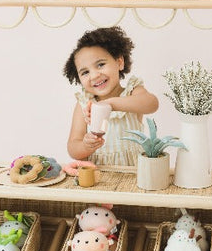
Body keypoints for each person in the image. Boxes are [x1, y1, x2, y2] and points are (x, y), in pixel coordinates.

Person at [63, 26, 159, 166]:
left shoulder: (132, 92)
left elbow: (152, 104)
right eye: (85, 72)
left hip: (133, 173)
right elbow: (73, 148)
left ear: (119, 62)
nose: (94, 75)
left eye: (100, 64)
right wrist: (85, 146)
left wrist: (112, 104)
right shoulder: (84, 103)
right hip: (98, 175)